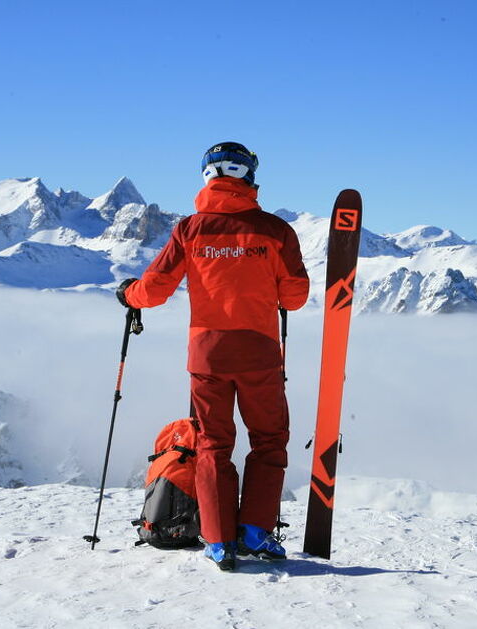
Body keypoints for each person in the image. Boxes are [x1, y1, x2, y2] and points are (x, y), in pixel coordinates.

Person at [116, 142, 310, 571]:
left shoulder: (190, 230)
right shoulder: (276, 231)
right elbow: (295, 297)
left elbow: (155, 289)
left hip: (207, 357)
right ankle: (256, 532)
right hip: (259, 353)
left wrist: (128, 293)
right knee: (269, 440)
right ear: (248, 176)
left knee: (212, 445)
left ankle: (219, 540)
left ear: (207, 176)